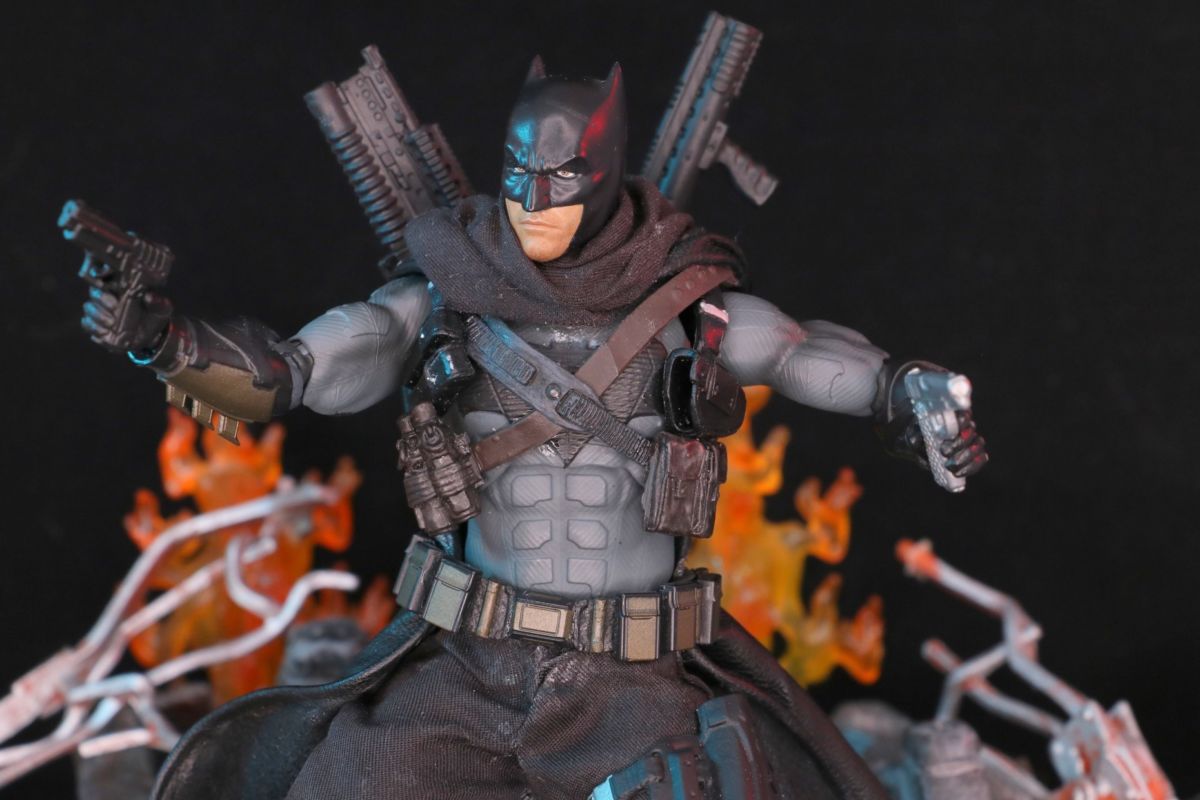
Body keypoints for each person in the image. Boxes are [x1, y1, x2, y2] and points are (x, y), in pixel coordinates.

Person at [82, 61, 985, 800]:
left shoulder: (687, 301)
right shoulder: (449, 288)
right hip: (468, 667)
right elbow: (290, 373)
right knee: (341, 783)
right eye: (519, 175)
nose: (532, 200)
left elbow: (799, 351)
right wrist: (165, 341)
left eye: (560, 180)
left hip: (631, 680)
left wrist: (906, 391)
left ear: (606, 175)